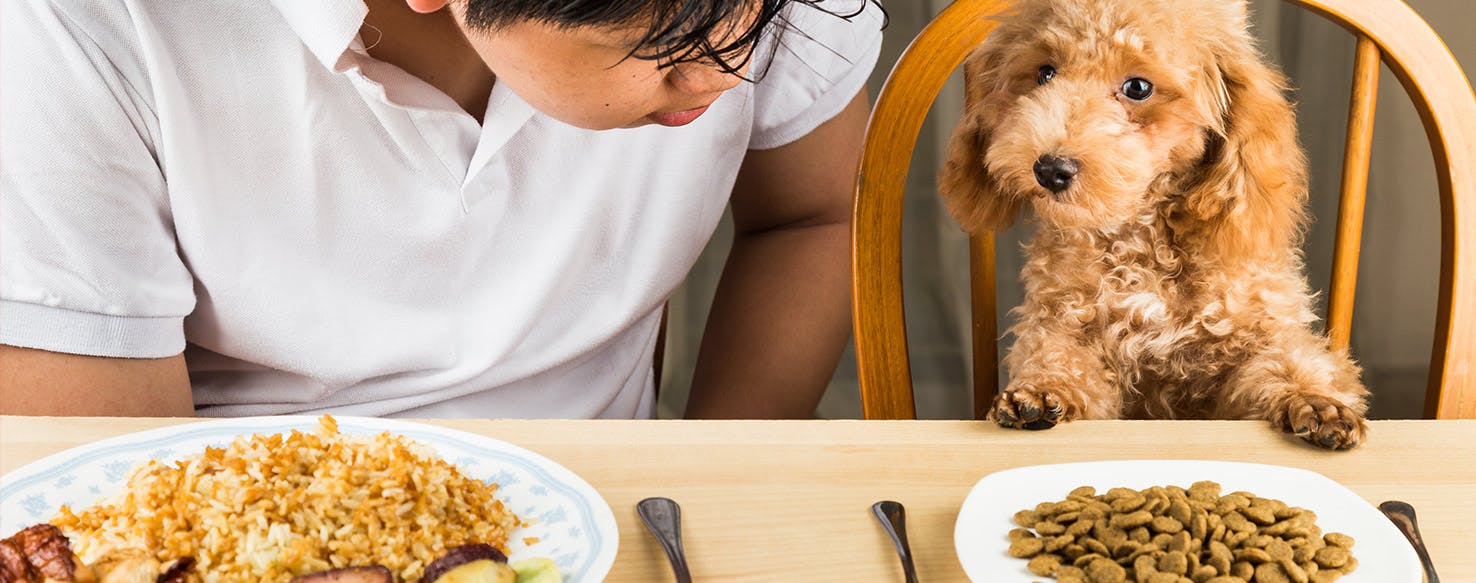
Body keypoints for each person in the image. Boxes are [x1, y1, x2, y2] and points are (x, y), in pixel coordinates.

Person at [0, 0, 884, 419]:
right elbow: (110, 486)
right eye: (664, 46)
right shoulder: (69, 32)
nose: (730, 73)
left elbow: (809, 215)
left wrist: (711, 486)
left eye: (760, 15)